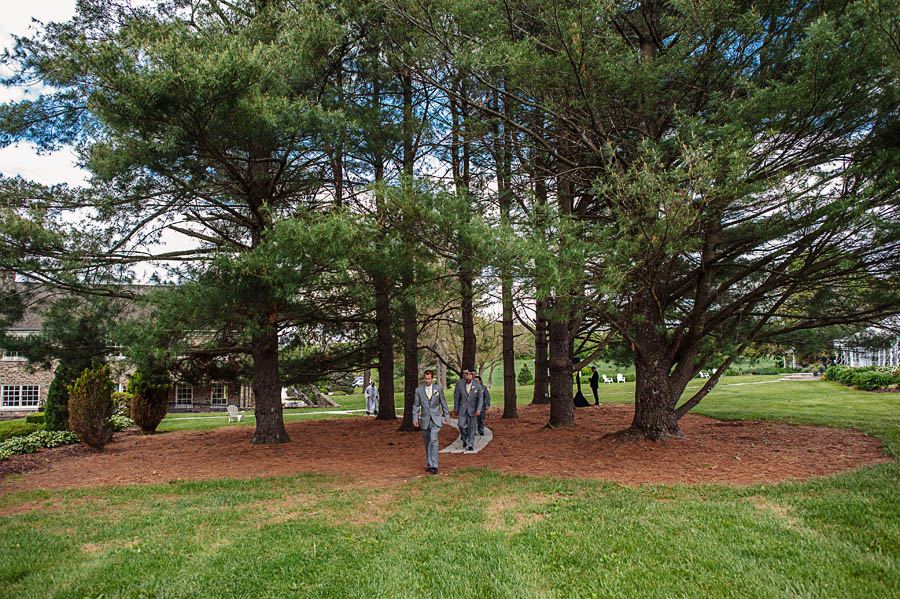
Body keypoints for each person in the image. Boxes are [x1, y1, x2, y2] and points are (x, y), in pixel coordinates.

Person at [412, 369, 450, 474]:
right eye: (425, 378)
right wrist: (415, 418)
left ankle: (435, 465)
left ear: (432, 379)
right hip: (425, 419)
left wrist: (447, 416)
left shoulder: (438, 389)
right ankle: (429, 463)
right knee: (427, 442)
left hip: (436, 419)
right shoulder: (418, 390)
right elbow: (416, 405)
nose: (427, 380)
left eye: (428, 379)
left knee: (434, 441)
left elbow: (443, 403)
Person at [453, 369, 483, 452]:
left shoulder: (477, 385)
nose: (466, 377)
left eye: (468, 375)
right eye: (465, 375)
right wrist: (456, 408)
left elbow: (480, 399)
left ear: (472, 376)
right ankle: (464, 438)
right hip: (462, 409)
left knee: (471, 428)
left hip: (472, 410)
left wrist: (478, 409)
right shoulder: (459, 384)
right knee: (461, 425)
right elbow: (456, 397)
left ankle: (470, 444)